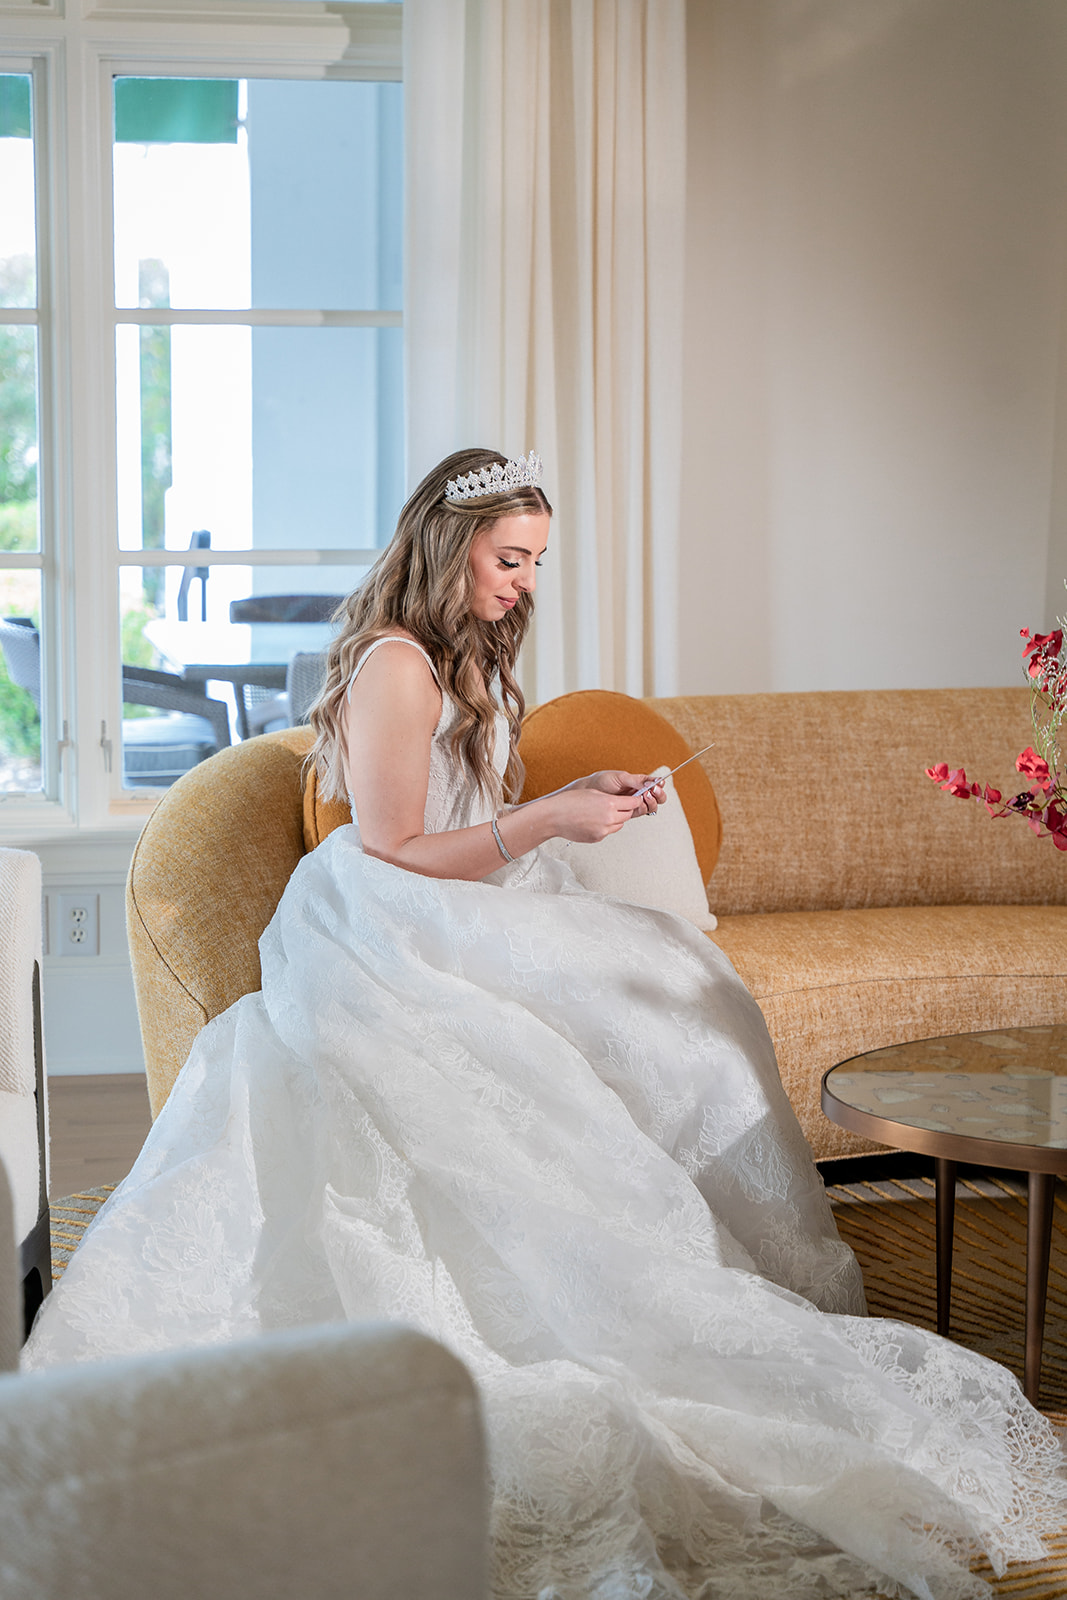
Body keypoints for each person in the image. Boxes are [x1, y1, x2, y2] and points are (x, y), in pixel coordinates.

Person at [25, 449, 1064, 1599]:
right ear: (443, 543)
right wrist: (552, 822)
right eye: (508, 559)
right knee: (649, 1011)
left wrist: (571, 803)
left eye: (534, 562)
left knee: (683, 993)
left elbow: (458, 819)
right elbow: (393, 853)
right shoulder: (394, 667)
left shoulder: (459, 658)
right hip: (384, 924)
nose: (523, 582)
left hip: (449, 901)